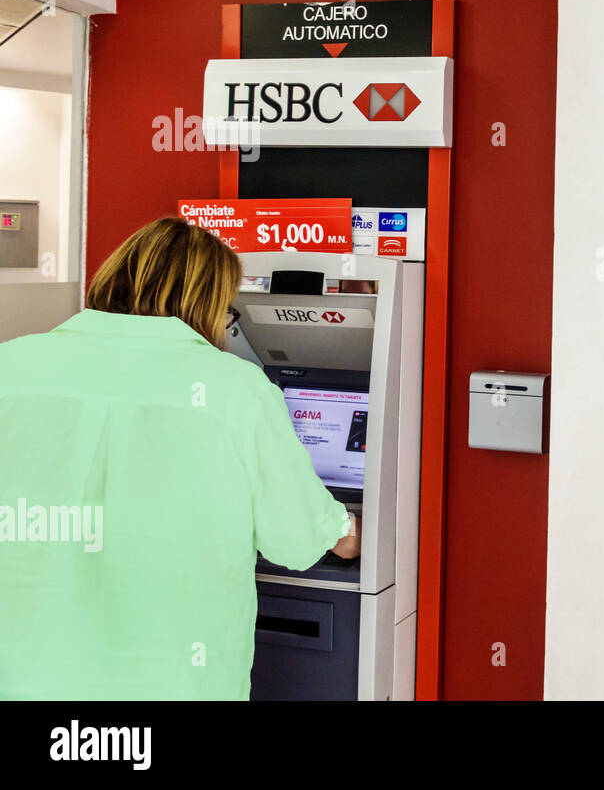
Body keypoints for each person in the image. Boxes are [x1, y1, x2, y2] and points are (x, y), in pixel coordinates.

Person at [0, 217, 358, 699]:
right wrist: (347, 530)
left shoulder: (12, 367)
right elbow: (295, 540)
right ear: (208, 302)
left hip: (25, 677)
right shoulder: (234, 389)